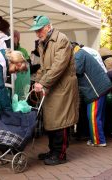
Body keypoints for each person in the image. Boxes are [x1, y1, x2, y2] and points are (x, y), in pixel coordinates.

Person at [29, 15, 79, 165]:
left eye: (39, 30)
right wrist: (36, 81)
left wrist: (42, 82)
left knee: (61, 121)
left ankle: (60, 154)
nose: (37, 34)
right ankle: (53, 150)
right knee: (51, 121)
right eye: (36, 31)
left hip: (62, 88)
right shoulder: (43, 43)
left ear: (48, 27)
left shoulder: (61, 40)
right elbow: (44, 68)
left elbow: (58, 67)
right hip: (52, 87)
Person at [73, 44, 112, 147]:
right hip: (101, 87)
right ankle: (98, 138)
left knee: (93, 116)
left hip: (95, 90)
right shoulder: (83, 52)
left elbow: (75, 70)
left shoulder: (78, 55)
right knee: (99, 116)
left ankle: (99, 140)